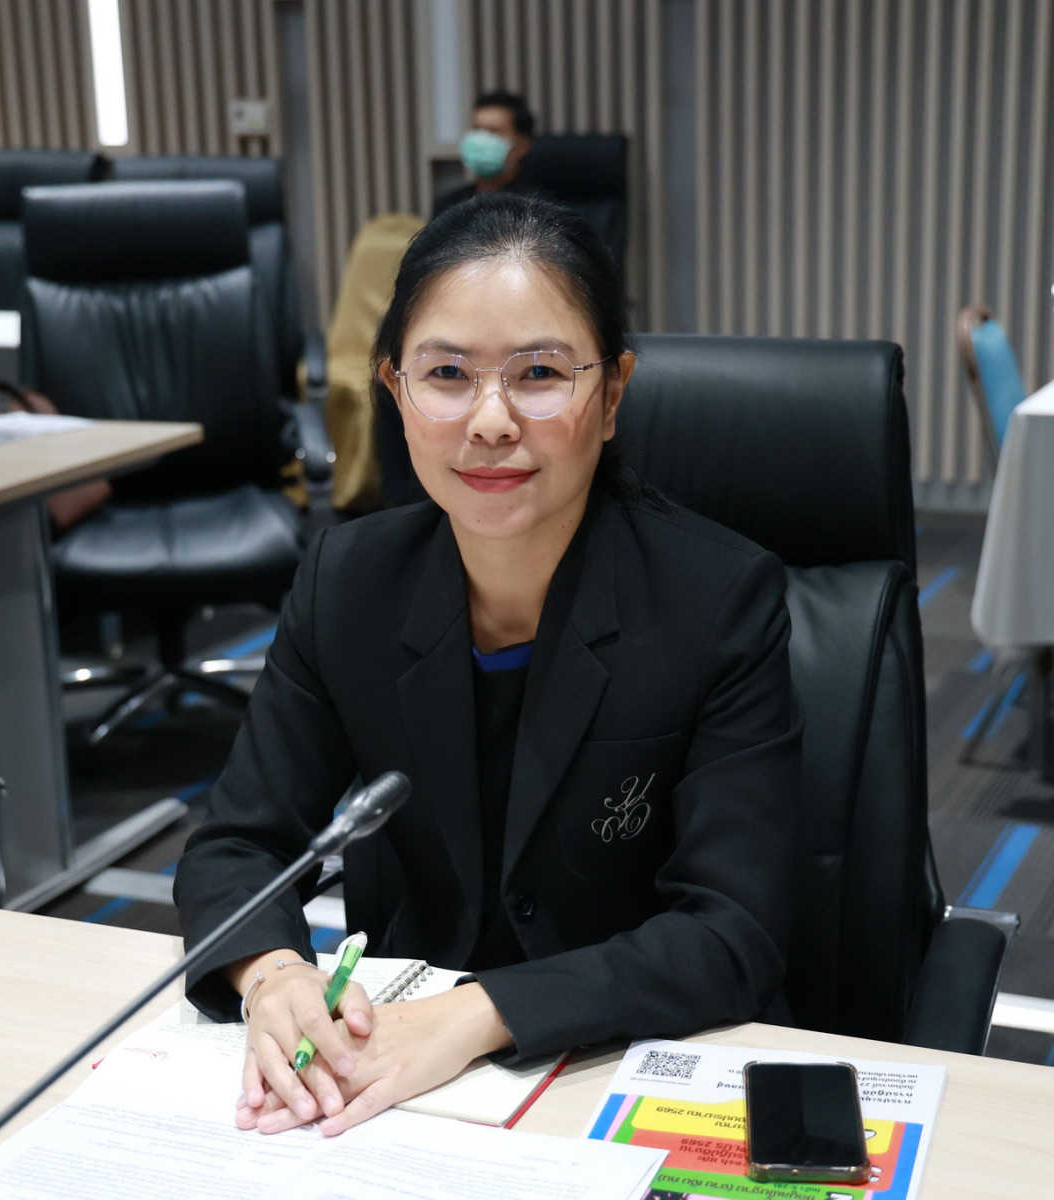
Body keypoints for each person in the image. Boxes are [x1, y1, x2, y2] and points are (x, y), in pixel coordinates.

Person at [174, 193, 800, 1137]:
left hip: (617, 1069)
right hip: (390, 1082)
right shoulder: (348, 582)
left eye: (540, 373)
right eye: (447, 375)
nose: (491, 420)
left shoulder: (717, 601)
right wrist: (272, 976)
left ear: (613, 394)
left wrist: (476, 1015)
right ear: (395, 392)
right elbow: (237, 847)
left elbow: (731, 930)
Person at [431, 92, 553, 220]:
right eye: (476, 129)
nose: (481, 140)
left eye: (493, 131)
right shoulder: (448, 206)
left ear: (522, 146)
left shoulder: (539, 209)